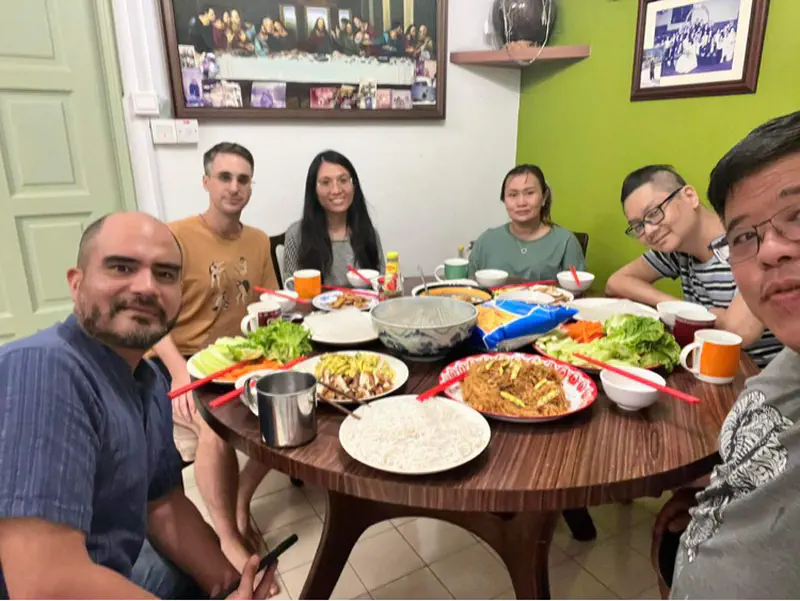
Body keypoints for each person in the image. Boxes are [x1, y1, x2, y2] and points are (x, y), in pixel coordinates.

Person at [0, 212, 277, 599]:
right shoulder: (44, 368)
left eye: (165, 274)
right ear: (75, 283)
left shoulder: (147, 381)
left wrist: (230, 584)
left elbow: (162, 505)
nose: (146, 287)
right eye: (121, 267)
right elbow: (45, 585)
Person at [667, 111, 800, 597]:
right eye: (745, 236)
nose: (770, 251)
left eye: (798, 217)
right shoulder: (789, 356)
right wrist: (726, 490)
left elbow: (735, 331)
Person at [151, 143, 279, 572]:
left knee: (289, 410)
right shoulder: (175, 236)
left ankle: (241, 499)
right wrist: (176, 373)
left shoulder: (258, 240)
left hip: (238, 360)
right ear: (206, 182)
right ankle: (228, 539)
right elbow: (151, 316)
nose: (234, 187)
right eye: (224, 177)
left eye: (243, 179)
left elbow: (265, 307)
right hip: (183, 359)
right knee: (214, 430)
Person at [606, 164, 782, 367]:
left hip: (765, 378)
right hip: (708, 365)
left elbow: (738, 332)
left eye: (654, 213)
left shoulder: (749, 240)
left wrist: (703, 318)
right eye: (638, 226)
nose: (649, 230)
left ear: (690, 196)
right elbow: (616, 282)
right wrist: (682, 309)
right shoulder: (675, 249)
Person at [468, 164, 586, 281]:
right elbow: (469, 289)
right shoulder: (486, 241)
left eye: (529, 193)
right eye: (513, 195)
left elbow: (577, 289)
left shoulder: (566, 242)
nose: (521, 202)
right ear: (504, 200)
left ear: (544, 197)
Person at [283, 150, 385, 286]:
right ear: (314, 190)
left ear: (354, 185)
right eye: (326, 182)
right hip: (314, 307)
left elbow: (383, 283)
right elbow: (290, 288)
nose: (336, 190)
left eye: (343, 180)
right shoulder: (297, 234)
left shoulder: (368, 232)